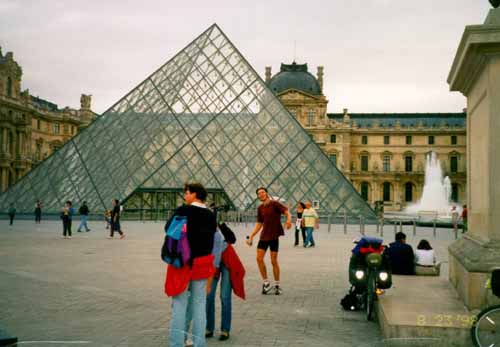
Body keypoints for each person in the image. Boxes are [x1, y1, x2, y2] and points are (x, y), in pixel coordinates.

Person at [163, 182, 217, 347]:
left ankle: (176, 343)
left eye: (186, 193)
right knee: (199, 305)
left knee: (179, 304)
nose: (185, 196)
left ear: (194, 194)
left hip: (183, 262)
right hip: (202, 263)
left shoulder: (183, 210)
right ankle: (200, 343)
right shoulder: (210, 214)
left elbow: (168, 229)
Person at [246, 187, 292, 295]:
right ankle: (266, 282)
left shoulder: (274, 204)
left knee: (273, 261)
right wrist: (252, 236)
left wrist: (289, 221)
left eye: (262, 192)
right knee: (259, 259)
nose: (261, 194)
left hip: (274, 236)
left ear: (266, 193)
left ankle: (277, 285)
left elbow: (287, 212)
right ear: (258, 196)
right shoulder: (260, 208)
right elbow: (259, 223)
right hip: (264, 236)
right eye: (259, 193)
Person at [205, 223, 245, 342]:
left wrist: (221, 226)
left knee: (225, 296)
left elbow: (232, 239)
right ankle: (209, 327)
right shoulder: (202, 227)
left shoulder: (219, 225)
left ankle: (225, 329)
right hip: (212, 263)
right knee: (209, 296)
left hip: (227, 260)